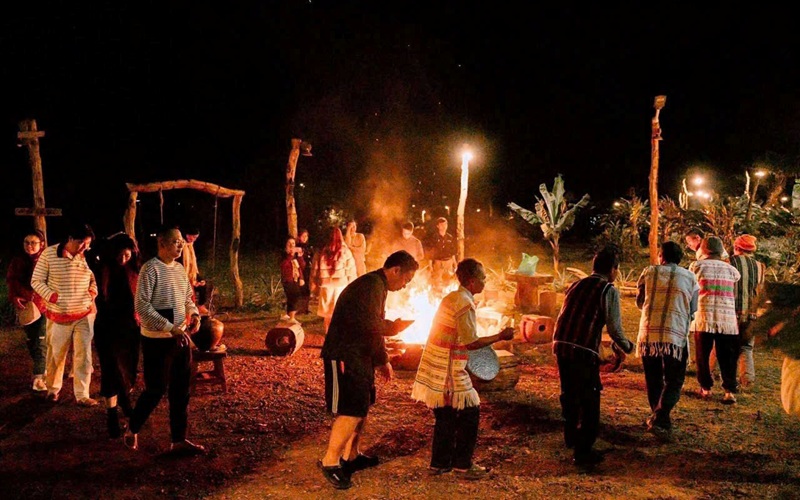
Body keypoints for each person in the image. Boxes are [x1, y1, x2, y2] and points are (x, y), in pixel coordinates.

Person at [318, 250, 419, 490]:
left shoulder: (377, 286)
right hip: (344, 354)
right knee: (351, 408)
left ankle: (351, 456)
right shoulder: (371, 286)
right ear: (396, 270)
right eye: (406, 279)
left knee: (362, 406)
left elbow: (372, 329)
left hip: (359, 354)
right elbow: (372, 325)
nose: (405, 286)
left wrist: (382, 359)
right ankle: (330, 462)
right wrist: (395, 328)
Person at [411, 258, 514, 479]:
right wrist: (500, 336)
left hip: (436, 364)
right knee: (470, 410)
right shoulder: (464, 303)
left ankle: (439, 463)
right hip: (449, 370)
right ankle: (463, 465)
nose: (485, 282)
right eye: (483, 278)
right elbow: (471, 342)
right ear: (472, 281)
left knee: (445, 416)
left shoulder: (451, 297)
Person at [124, 225, 205, 455]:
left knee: (181, 390)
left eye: (181, 242)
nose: (180, 245)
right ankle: (133, 426)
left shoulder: (179, 269)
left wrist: (195, 314)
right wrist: (170, 328)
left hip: (180, 336)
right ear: (161, 243)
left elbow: (187, 298)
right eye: (175, 241)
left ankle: (178, 439)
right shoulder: (150, 269)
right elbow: (142, 306)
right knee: (156, 389)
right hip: (157, 340)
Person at [552, 246, 634, 466]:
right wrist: (627, 347)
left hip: (561, 344)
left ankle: (571, 436)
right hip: (582, 349)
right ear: (613, 269)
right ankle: (583, 451)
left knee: (569, 392)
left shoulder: (576, 284)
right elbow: (614, 328)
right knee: (589, 398)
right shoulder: (608, 290)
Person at [635, 241, 699, 439]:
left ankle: (658, 416)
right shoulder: (690, 277)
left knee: (653, 377)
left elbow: (639, 301)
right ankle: (661, 417)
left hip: (649, 335)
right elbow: (693, 308)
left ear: (661, 256)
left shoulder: (648, 272)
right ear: (680, 258)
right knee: (675, 379)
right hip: (675, 336)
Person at [31, 222, 98, 406]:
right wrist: (52, 296)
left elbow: (94, 278)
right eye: (82, 243)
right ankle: (53, 389)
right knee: (56, 354)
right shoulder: (49, 254)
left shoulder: (86, 256)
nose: (85, 247)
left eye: (88, 244)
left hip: (84, 313)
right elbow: (36, 281)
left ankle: (82, 395)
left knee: (84, 355)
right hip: (59, 314)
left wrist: (93, 291)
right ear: (70, 239)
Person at [94, 233, 141, 438]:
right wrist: (109, 242)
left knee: (128, 370)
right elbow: (94, 248)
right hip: (106, 327)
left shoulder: (135, 270)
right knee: (111, 370)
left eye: (127, 255)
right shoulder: (101, 269)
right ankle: (112, 415)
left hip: (130, 328)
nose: (123, 259)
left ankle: (125, 403)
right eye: (119, 255)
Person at [689, 236, 741, 404]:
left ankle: (706, 388)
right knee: (727, 357)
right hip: (727, 319)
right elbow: (736, 280)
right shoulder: (731, 270)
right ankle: (729, 391)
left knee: (702, 355)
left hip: (704, 316)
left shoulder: (696, 266)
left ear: (703, 249)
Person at [6, 229, 48, 391]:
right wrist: (15, 297)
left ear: (41, 244)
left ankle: (39, 377)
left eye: (33, 243)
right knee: (31, 341)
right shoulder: (17, 261)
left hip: (44, 305)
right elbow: (12, 281)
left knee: (40, 340)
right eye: (26, 242)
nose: (29, 246)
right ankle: (42, 368)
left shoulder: (46, 260)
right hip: (25, 305)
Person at [730, 234, 766, 387]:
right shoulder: (760, 267)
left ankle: (711, 376)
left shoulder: (729, 262)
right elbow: (760, 291)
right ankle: (747, 379)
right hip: (751, 313)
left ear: (736, 247)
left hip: (730, 311)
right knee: (746, 347)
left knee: (723, 347)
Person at [310, 227, 358, 334]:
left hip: (326, 286)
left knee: (328, 314)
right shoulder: (345, 251)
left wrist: (313, 284)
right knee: (339, 311)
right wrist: (353, 287)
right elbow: (351, 271)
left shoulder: (321, 251)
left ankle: (328, 334)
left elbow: (315, 270)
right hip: (340, 286)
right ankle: (337, 335)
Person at [181, 226, 212, 315]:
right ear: (187, 235)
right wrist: (192, 282)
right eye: (193, 237)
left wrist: (197, 278)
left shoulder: (190, 246)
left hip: (191, 273)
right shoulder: (181, 246)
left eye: (196, 238)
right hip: (183, 275)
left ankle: (201, 306)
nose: (194, 239)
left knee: (203, 284)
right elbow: (183, 265)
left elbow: (192, 264)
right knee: (191, 291)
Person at [425, 217, 457, 290]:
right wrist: (430, 265)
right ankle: (437, 294)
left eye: (445, 224)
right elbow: (431, 252)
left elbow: (452, 252)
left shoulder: (450, 237)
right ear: (438, 226)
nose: (443, 226)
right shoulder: (434, 237)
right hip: (438, 262)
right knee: (437, 281)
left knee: (449, 280)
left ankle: (448, 293)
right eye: (441, 225)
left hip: (448, 262)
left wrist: (455, 263)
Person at [280, 236, 306, 323]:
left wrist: (300, 256)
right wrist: (290, 255)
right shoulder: (284, 256)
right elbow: (284, 266)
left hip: (295, 279)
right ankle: (292, 317)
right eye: (289, 244)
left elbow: (301, 266)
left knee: (293, 296)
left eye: (293, 243)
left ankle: (289, 315)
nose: (292, 245)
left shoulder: (295, 256)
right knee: (294, 296)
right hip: (288, 279)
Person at [295, 229, 314, 313]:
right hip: (301, 269)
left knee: (307, 289)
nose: (305, 238)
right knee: (301, 288)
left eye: (306, 236)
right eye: (303, 236)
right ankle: (300, 308)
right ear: (299, 237)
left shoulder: (309, 247)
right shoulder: (297, 247)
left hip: (308, 269)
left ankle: (305, 308)